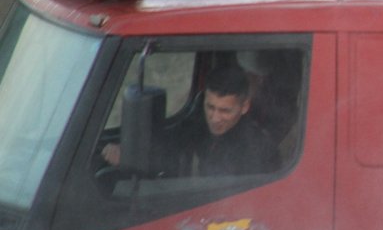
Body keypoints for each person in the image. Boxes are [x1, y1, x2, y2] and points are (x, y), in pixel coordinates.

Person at [102, 64, 279, 177]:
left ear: (244, 107)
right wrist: (131, 153)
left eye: (225, 111)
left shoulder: (257, 149)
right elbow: (172, 143)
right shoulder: (200, 122)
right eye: (210, 107)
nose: (215, 118)